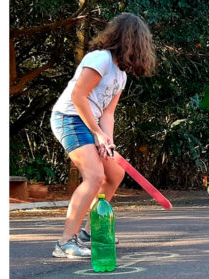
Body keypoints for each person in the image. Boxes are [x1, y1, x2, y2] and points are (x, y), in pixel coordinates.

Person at [50, 13, 156, 258]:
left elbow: (108, 114)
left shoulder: (121, 75)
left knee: (115, 172)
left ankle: (90, 232)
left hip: (91, 124)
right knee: (95, 176)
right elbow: (78, 97)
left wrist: (106, 140)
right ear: (132, 41)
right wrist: (96, 133)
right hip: (69, 118)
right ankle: (65, 242)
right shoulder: (101, 59)